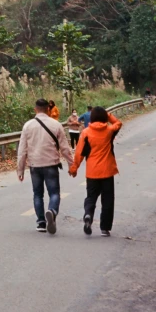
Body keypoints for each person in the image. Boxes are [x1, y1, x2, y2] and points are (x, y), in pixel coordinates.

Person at [17, 98, 74, 234]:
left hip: (34, 165)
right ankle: (52, 211)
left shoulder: (28, 125)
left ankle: (41, 222)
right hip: (51, 164)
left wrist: (20, 169)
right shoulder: (56, 124)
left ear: (35, 109)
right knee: (54, 193)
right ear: (48, 109)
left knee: (37, 194)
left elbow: (22, 149)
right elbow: (64, 147)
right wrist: (72, 165)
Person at [69, 106, 122, 237]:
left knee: (91, 197)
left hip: (92, 172)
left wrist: (74, 167)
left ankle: (88, 215)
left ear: (91, 117)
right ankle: (105, 228)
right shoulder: (109, 131)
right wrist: (108, 115)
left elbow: (80, 152)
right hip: (107, 171)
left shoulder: (86, 133)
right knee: (108, 199)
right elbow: (118, 123)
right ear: (104, 117)